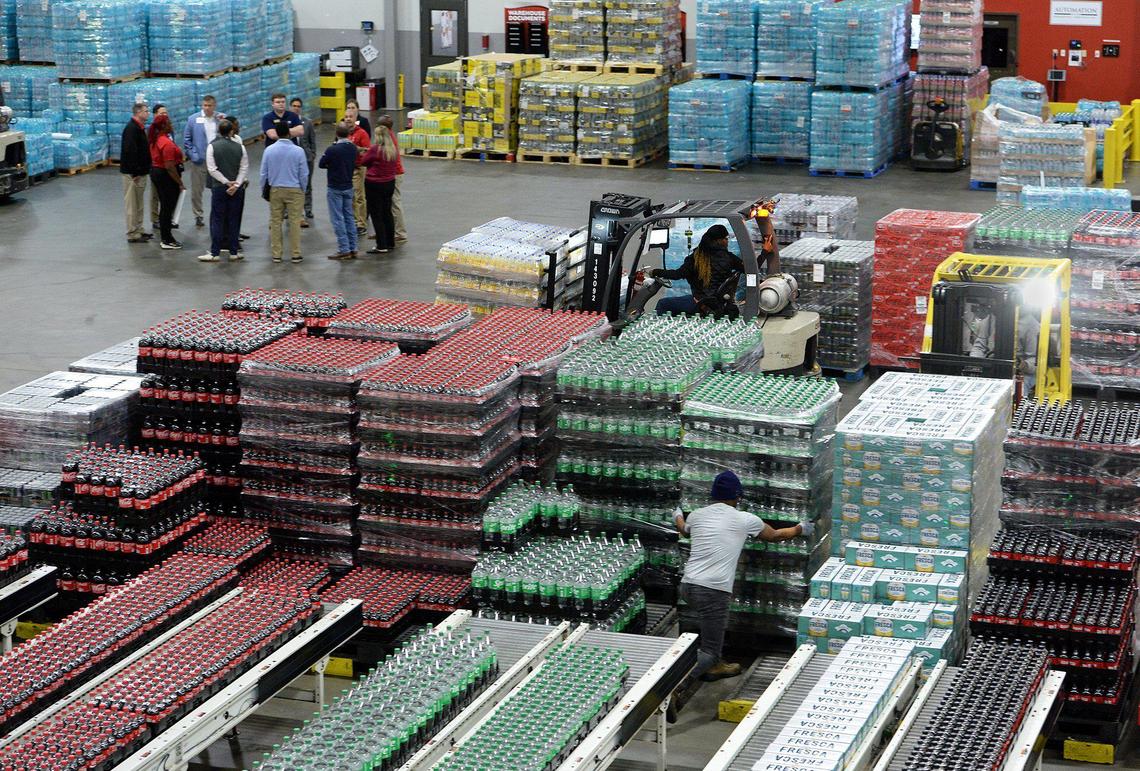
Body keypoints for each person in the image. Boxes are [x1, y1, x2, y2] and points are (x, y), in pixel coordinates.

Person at [667, 470, 812, 723]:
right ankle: (673, 688)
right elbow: (776, 535)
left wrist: (678, 514)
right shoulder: (746, 520)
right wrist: (801, 528)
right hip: (713, 591)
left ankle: (714, 665)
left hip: (688, 586)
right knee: (709, 649)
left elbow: (684, 529)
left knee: (709, 633)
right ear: (738, 497)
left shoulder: (698, 515)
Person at [653, 209, 781, 317]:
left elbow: (676, 274)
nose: (727, 241)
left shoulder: (695, 258)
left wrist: (656, 272)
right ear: (719, 240)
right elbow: (751, 268)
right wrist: (764, 252)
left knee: (663, 304)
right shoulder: (728, 258)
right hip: (720, 304)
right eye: (726, 238)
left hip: (700, 303)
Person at [200, 119, 249, 263]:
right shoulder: (240, 147)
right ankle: (234, 251)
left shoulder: (212, 147)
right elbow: (244, 168)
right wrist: (236, 184)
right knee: (234, 219)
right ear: (232, 131)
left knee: (218, 219)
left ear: (219, 131)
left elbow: (212, 169)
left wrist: (226, 182)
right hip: (237, 189)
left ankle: (215, 252)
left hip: (220, 188)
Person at [260, 119, 309, 263]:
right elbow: (304, 173)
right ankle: (295, 253)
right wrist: (303, 189)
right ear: (289, 133)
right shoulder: (298, 151)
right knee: (294, 222)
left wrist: (265, 190)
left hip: (276, 189)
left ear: (277, 133)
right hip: (294, 190)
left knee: (275, 222)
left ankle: (276, 254)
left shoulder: (269, 151)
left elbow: (264, 173)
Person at [319, 122, 360, 261]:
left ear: (336, 134)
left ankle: (344, 249)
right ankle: (353, 247)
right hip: (348, 186)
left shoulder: (332, 149)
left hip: (335, 187)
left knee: (337, 219)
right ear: (349, 133)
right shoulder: (353, 148)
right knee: (349, 217)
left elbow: (321, 164)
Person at [182, 95, 223, 228]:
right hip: (200, 160)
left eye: (209, 105)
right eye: (204, 105)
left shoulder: (221, 119)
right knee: (197, 190)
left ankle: (218, 213)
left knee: (218, 188)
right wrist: (193, 155)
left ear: (214, 106)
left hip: (217, 160)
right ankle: (198, 215)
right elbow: (187, 140)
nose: (206, 108)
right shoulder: (193, 119)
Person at [147, 112, 185, 250]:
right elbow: (169, 166)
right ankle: (167, 238)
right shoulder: (166, 143)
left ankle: (166, 236)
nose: (171, 125)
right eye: (169, 123)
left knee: (165, 206)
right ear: (163, 126)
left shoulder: (156, 139)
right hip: (165, 176)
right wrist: (179, 182)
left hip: (157, 173)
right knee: (167, 207)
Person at [360, 126, 400, 254]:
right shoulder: (392, 149)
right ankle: (390, 242)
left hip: (374, 184)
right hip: (389, 183)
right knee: (387, 213)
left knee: (376, 215)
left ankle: (381, 244)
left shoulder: (375, 149)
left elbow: (364, 161)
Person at [119, 102, 153, 244]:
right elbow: (129, 152)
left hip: (141, 172)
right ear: (138, 113)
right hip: (133, 174)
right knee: (132, 204)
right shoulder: (131, 129)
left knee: (139, 203)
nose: (148, 113)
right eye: (145, 111)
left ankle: (139, 229)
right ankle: (132, 232)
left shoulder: (139, 128)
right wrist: (135, 171)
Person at [377, 114, 407, 245]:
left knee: (395, 203)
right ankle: (387, 230)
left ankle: (400, 233)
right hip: (392, 173)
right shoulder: (388, 135)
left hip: (395, 174)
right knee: (388, 204)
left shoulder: (388, 138)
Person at [344, 108, 371, 235]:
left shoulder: (362, 133)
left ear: (355, 118)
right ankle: (353, 220)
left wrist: (353, 148)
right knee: (351, 196)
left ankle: (361, 223)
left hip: (359, 167)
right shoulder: (343, 132)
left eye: (350, 116)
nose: (348, 119)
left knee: (359, 196)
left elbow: (367, 150)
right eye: (346, 116)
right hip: (347, 168)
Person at [150, 103, 170, 232]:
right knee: (155, 195)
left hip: (167, 166)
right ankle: (155, 218)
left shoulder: (167, 129)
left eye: (165, 113)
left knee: (166, 195)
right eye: (162, 113)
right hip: (157, 167)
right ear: (155, 114)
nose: (165, 115)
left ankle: (166, 218)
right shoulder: (153, 131)